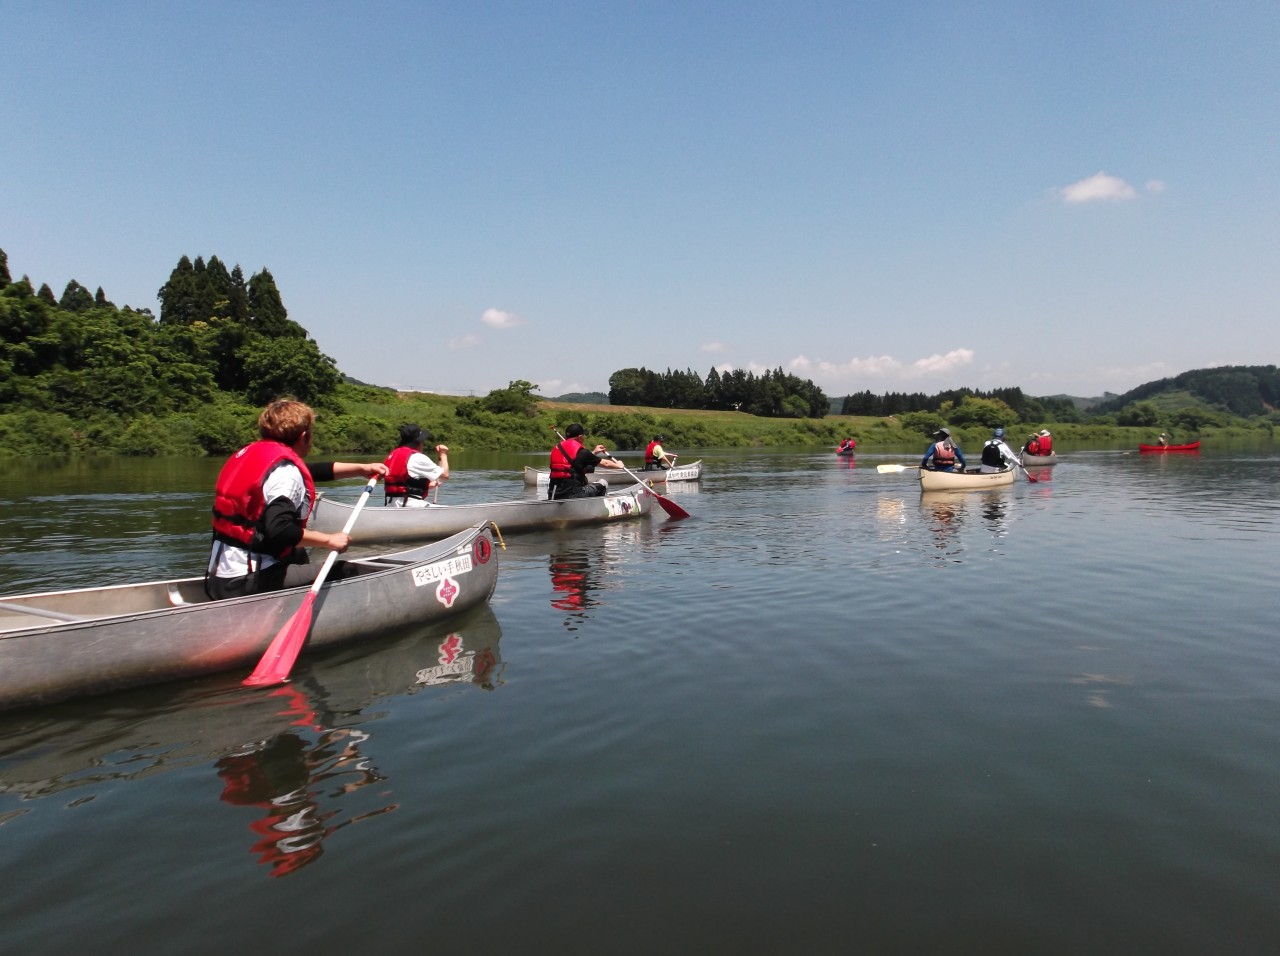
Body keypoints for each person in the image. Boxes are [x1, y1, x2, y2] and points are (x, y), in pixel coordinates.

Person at [206, 399, 387, 600]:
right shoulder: (286, 473)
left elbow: (310, 472)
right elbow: (280, 530)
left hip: (219, 579)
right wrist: (329, 540)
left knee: (297, 553)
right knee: (347, 570)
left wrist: (362, 469)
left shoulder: (255, 455)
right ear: (304, 436)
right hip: (249, 582)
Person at [549, 423, 625, 499]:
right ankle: (596, 508)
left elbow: (577, 461)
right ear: (580, 437)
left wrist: (594, 452)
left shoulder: (556, 449)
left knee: (586, 474)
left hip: (553, 495)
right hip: (573, 496)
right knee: (603, 483)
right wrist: (618, 465)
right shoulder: (582, 452)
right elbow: (606, 463)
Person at [383, 423, 448, 507]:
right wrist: (443, 454)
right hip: (409, 505)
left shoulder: (392, 455)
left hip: (391, 504)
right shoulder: (417, 457)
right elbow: (445, 475)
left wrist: (432, 484)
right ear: (418, 443)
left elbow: (403, 484)